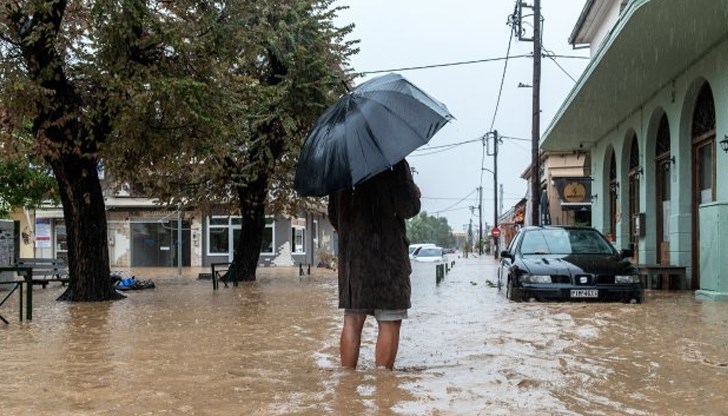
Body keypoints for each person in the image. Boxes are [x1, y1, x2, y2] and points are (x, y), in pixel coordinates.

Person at [327, 159, 421, 370]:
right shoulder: (393, 162)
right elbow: (408, 208)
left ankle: (347, 384)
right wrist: (414, 193)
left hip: (353, 259)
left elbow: (334, 216)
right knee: (389, 319)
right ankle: (384, 387)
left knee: (352, 320)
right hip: (388, 257)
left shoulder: (341, 166)